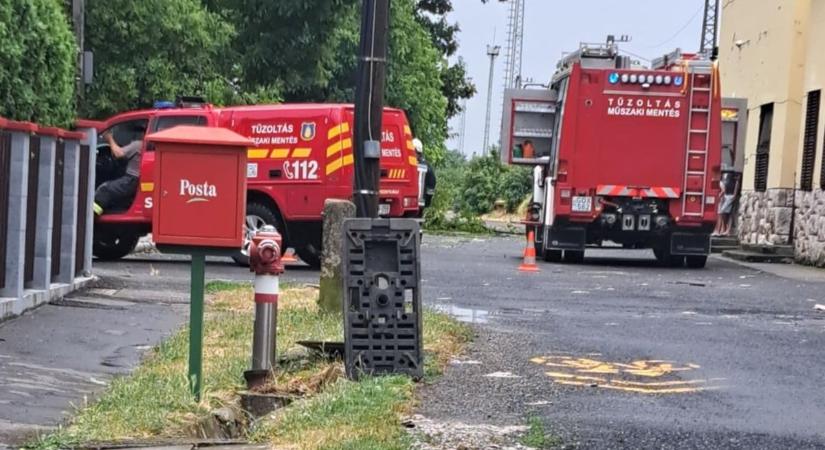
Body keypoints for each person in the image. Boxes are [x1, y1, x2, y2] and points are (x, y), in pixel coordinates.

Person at [93, 130, 143, 215]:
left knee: (104, 190)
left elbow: (118, 153)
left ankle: (90, 216)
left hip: (131, 180)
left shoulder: (138, 145)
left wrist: (109, 138)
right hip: (135, 181)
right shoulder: (145, 146)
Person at [413, 138, 436, 211]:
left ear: (414, 150)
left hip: (411, 203)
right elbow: (432, 185)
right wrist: (427, 201)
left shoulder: (411, 165)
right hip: (421, 204)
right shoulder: (427, 166)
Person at [713, 171, 739, 236]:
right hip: (726, 196)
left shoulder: (736, 181)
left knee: (723, 212)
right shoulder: (726, 178)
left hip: (730, 197)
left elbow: (735, 189)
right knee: (725, 214)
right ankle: (724, 229)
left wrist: (734, 196)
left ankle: (724, 230)